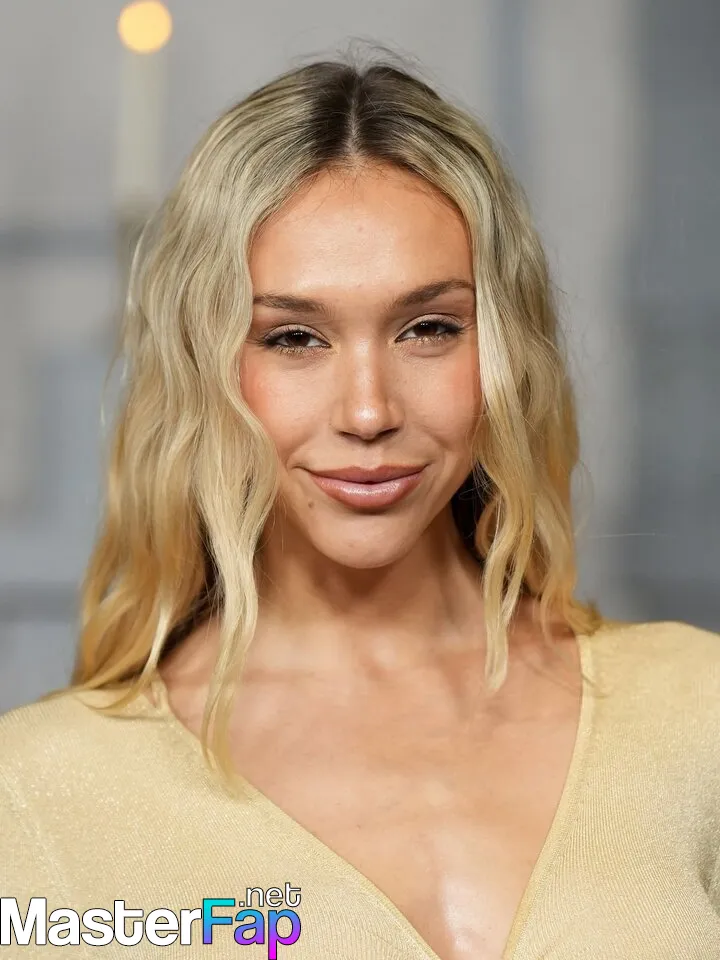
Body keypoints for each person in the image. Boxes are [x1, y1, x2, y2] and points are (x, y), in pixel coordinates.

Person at [1, 50, 719, 960]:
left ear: (504, 349)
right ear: (204, 365)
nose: (370, 412)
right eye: (294, 338)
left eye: (430, 328)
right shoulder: (42, 795)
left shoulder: (695, 712)